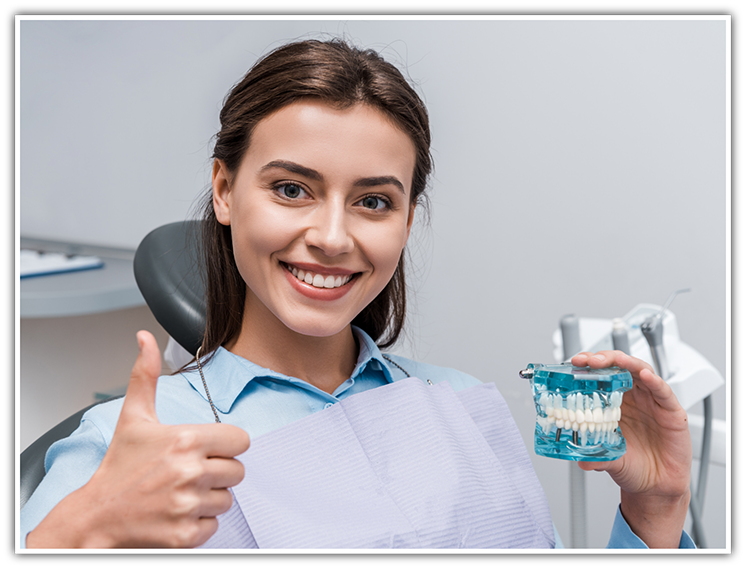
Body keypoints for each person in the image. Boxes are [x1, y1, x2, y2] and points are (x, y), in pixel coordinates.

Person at [20, 38, 694, 549]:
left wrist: (656, 508)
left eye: (373, 200)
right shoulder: (126, 446)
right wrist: (85, 523)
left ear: (406, 220)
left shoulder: (461, 403)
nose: (333, 236)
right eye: (291, 189)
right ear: (225, 190)